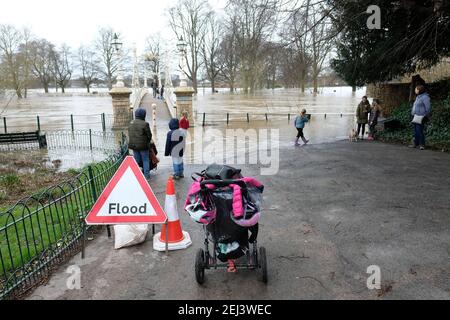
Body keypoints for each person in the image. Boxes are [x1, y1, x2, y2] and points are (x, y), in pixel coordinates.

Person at [128, 108, 152, 179]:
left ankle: (137, 176)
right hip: (143, 146)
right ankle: (146, 177)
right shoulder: (145, 124)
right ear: (143, 115)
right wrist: (148, 141)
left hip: (134, 145)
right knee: (145, 160)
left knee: (137, 160)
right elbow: (149, 135)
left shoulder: (131, 123)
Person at [409, 85, 431, 150]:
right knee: (415, 131)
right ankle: (416, 144)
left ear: (420, 90)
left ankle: (422, 145)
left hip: (421, 117)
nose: (415, 90)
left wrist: (425, 115)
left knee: (419, 130)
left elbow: (428, 108)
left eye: (416, 89)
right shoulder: (418, 97)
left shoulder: (425, 97)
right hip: (415, 116)